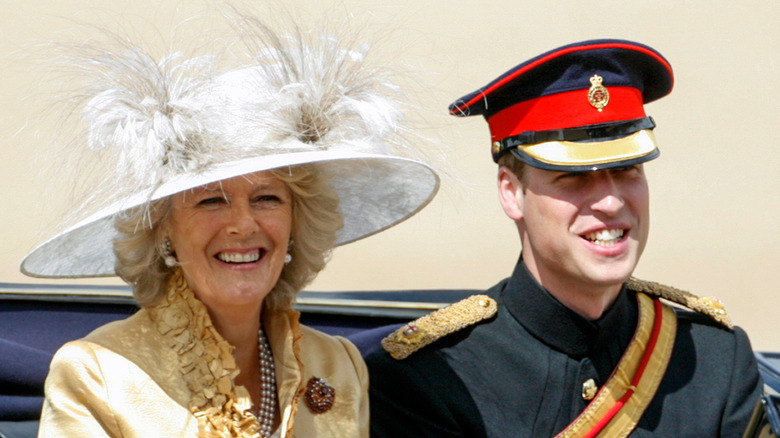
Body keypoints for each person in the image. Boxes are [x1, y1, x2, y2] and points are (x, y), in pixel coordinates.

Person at [21, 16, 438, 438]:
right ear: (162, 232)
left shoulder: (337, 364)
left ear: (297, 223)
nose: (242, 223)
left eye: (267, 198)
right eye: (212, 200)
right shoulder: (98, 371)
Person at [365, 39, 763, 437]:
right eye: (573, 177)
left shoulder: (714, 361)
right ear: (510, 192)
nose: (610, 201)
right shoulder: (431, 378)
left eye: (628, 170)